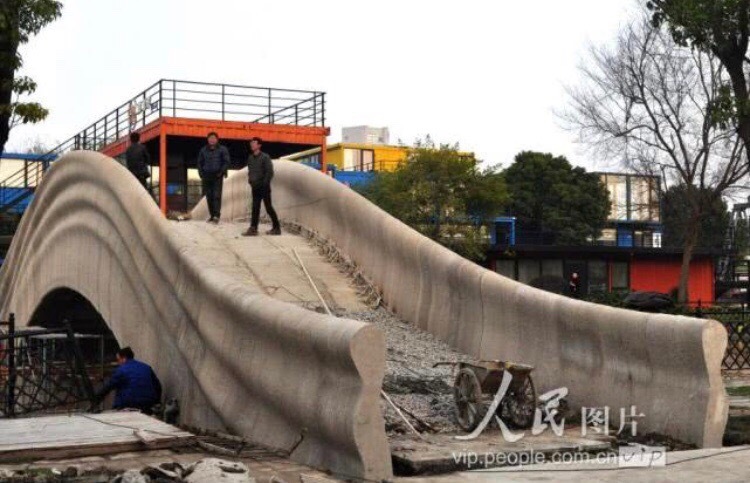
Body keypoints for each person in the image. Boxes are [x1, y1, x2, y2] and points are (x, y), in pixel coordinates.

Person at [91, 347, 162, 414]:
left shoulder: (121, 370)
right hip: (148, 405)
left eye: (118, 360)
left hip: (128, 405)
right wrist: (156, 403)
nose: (118, 363)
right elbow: (158, 386)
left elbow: (108, 388)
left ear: (124, 358)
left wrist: (95, 402)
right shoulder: (146, 367)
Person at [243, 137, 281, 236]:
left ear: (259, 145)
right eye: (251, 143)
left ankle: (276, 228)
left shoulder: (265, 157)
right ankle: (253, 228)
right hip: (254, 187)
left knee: (268, 207)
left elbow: (269, 172)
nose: (252, 144)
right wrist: (250, 180)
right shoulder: (250, 158)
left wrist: (264, 184)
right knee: (255, 207)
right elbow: (250, 171)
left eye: (254, 143)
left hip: (264, 187)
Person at [197, 132, 230, 223]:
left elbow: (226, 162)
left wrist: (221, 172)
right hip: (206, 176)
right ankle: (212, 215)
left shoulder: (222, 149)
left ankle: (216, 216)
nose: (211, 140)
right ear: (208, 140)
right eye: (210, 138)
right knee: (209, 196)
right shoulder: (203, 150)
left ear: (217, 139)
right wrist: (201, 173)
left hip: (217, 175)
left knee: (216, 195)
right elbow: (199, 162)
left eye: (213, 138)